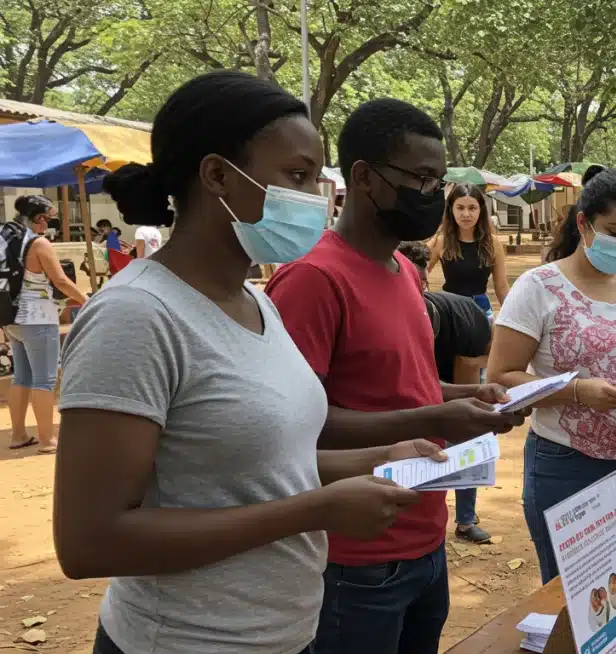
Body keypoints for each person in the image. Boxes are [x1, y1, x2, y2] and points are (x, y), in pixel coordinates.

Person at [53, 71, 454, 654]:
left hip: (285, 633)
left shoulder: (257, 304)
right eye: (296, 176)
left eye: (316, 180)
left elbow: (265, 467)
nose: (314, 199)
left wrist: (381, 457)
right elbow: (90, 542)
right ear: (217, 174)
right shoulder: (137, 317)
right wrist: (314, 511)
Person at [264, 98, 524, 654]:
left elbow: (405, 385)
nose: (434, 195)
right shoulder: (312, 280)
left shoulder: (404, 269)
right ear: (365, 178)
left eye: (439, 180)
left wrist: (470, 395)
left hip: (426, 537)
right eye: (422, 179)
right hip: (355, 557)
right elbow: (291, 429)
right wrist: (439, 415)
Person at [488, 166, 616, 584]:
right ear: (583, 223)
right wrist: (575, 392)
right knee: (576, 596)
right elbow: (500, 377)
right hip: (570, 466)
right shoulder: (538, 287)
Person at [398, 240, 495, 545]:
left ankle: (465, 520)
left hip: (456, 369)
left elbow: (460, 394)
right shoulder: (386, 324)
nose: (412, 290)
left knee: (466, 435)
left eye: (419, 282)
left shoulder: (462, 321)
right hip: (417, 383)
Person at [6, 195, 88, 453]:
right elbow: (61, 281)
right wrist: (87, 300)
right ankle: (47, 439)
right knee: (44, 379)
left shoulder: (7, 239)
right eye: (48, 219)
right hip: (39, 319)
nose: (48, 224)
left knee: (21, 376)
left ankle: (18, 435)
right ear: (39, 218)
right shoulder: (39, 244)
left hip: (11, 317)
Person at [427, 183, 510, 322]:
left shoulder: (493, 243)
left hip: (481, 312)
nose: (466, 214)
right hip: (449, 310)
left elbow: (501, 286)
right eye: (460, 208)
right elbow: (417, 274)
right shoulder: (441, 241)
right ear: (451, 210)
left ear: (480, 210)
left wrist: (512, 318)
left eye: (472, 208)